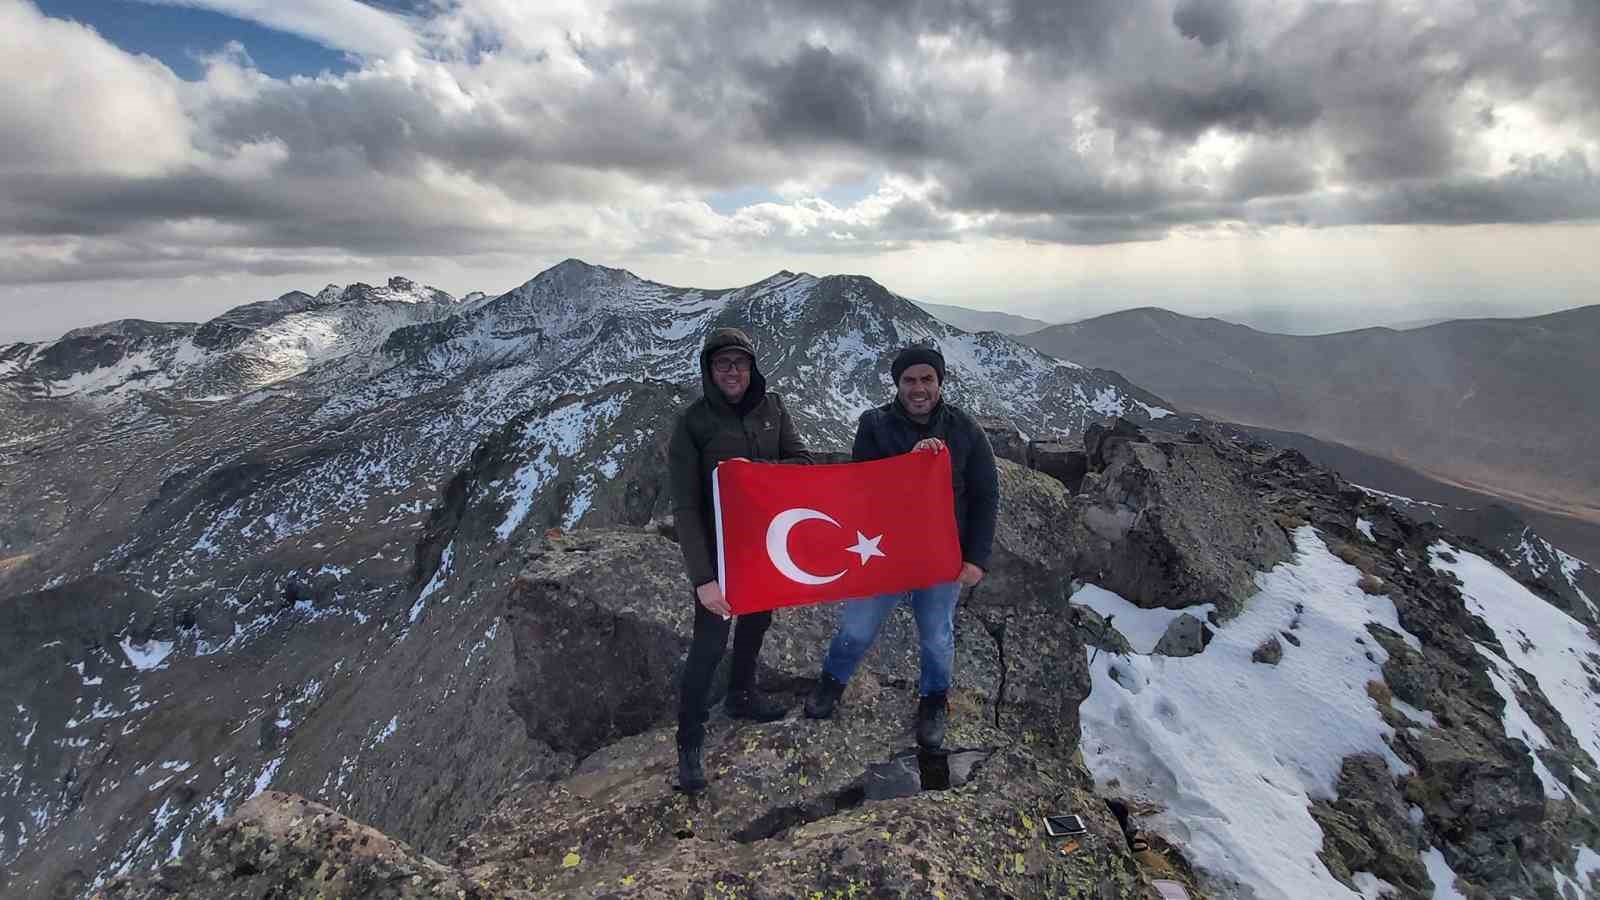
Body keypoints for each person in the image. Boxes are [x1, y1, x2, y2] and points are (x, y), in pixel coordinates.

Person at [805, 345, 998, 749]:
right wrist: (907, 467)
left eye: (927, 379)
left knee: (936, 637)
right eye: (909, 380)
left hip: (939, 554)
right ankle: (831, 682)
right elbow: (861, 488)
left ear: (940, 382)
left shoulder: (966, 430)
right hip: (882, 550)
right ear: (897, 384)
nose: (918, 388)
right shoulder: (874, 425)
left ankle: (933, 700)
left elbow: (984, 495)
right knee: (856, 629)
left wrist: (975, 558)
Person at [668, 327, 812, 792]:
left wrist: (755, 476)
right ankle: (688, 743)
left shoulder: (773, 409)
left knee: (757, 622)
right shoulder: (692, 423)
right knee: (709, 644)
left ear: (752, 368)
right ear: (710, 371)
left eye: (741, 363)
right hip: (717, 550)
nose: (733, 372)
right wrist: (703, 579)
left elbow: (803, 465)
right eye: (723, 364)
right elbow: (685, 506)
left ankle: (741, 695)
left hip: (763, 544)